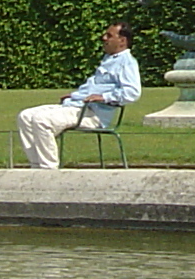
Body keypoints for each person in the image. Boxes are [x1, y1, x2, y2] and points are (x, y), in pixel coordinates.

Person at [16, 21, 142, 170]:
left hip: (93, 114)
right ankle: (35, 166)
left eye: (109, 35)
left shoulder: (126, 62)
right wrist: (75, 95)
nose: (104, 38)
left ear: (122, 40)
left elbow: (132, 92)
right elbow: (94, 85)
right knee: (25, 116)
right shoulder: (108, 60)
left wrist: (103, 97)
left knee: (41, 120)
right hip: (77, 106)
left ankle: (48, 169)